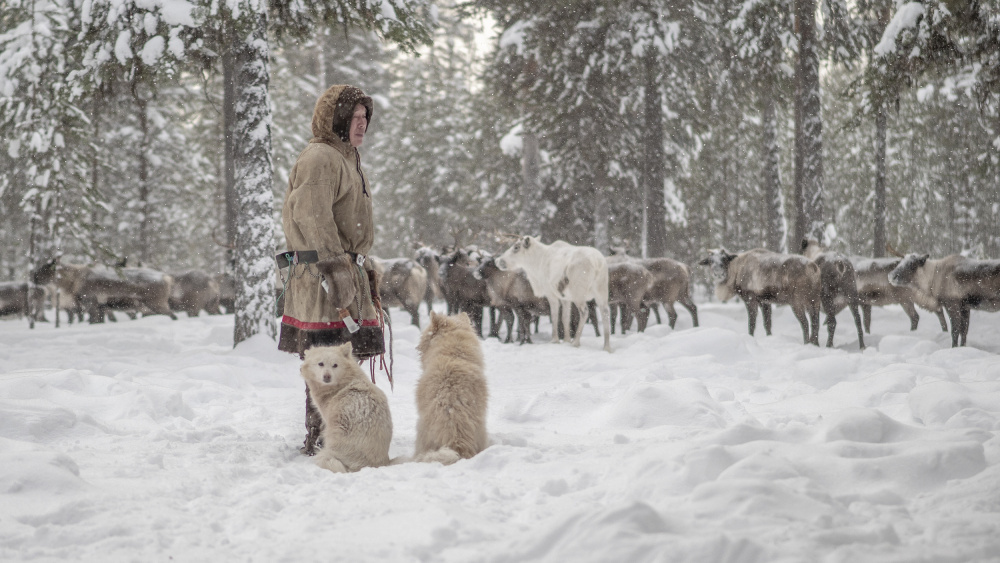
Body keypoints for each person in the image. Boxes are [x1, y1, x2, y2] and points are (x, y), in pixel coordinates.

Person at [278, 84, 385, 455]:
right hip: (323, 279)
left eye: (365, 117)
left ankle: (342, 433)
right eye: (354, 117)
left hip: (342, 273)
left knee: (341, 361)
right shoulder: (321, 157)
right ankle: (322, 437)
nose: (362, 124)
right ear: (336, 119)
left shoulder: (346, 157)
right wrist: (336, 269)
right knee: (327, 363)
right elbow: (311, 217)